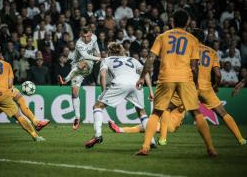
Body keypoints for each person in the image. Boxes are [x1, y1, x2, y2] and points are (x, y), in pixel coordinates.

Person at [135, 10, 217, 156]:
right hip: (186, 79)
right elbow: (194, 66)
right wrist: (196, 83)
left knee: (156, 112)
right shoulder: (192, 39)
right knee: (196, 113)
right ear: (187, 23)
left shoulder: (162, 37)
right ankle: (211, 148)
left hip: (166, 78)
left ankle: (145, 147)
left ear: (172, 22)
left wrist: (142, 77)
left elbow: (150, 59)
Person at [85, 42, 155, 148]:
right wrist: (150, 90)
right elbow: (145, 72)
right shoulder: (133, 59)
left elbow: (103, 75)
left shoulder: (107, 60)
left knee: (97, 106)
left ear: (110, 52)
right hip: (136, 84)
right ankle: (151, 141)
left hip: (120, 83)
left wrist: (103, 91)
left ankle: (98, 135)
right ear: (122, 50)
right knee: (142, 112)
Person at [58, 27, 101, 130]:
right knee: (74, 92)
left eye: (88, 36)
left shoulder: (94, 38)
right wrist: (98, 58)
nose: (86, 38)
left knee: (84, 62)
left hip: (87, 65)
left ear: (91, 33)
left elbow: (94, 46)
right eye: (84, 36)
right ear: (81, 35)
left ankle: (65, 80)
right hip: (76, 68)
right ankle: (77, 117)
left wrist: (98, 53)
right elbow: (85, 54)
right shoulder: (79, 43)